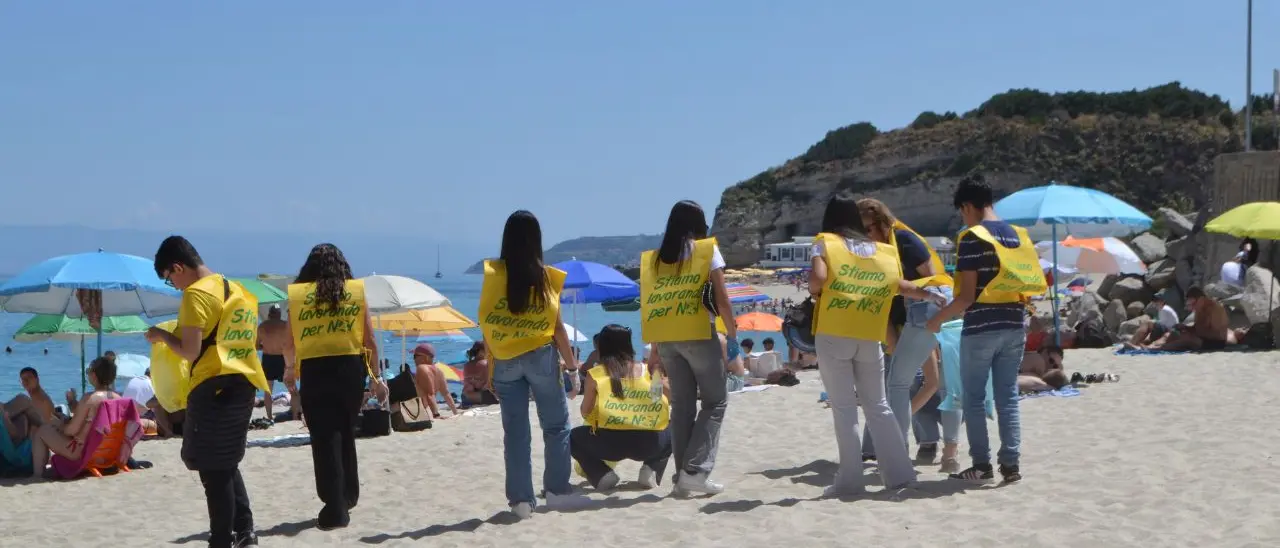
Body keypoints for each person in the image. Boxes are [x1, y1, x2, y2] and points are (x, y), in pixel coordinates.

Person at [809, 194, 941, 497]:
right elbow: (899, 286)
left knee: (844, 409)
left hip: (834, 332)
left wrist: (817, 291)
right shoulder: (881, 250)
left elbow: (818, 279)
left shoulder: (825, 242)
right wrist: (931, 296)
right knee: (878, 406)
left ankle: (850, 479)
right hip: (869, 334)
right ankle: (900, 476)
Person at [146, 235, 268, 548]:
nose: (173, 285)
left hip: (212, 384)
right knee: (225, 460)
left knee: (211, 466)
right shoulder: (238, 291)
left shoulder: (195, 295)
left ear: (177, 266)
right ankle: (246, 532)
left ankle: (220, 539)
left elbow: (189, 351)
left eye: (169, 277)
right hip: (244, 381)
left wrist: (161, 335)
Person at [926, 176, 1046, 484]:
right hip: (1014, 324)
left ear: (968, 206)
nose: (963, 218)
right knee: (1007, 397)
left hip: (981, 327)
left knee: (974, 398)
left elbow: (966, 297)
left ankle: (981, 465)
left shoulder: (972, 237)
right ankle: (1011, 466)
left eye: (962, 211)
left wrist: (937, 321)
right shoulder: (1019, 235)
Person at [478, 210, 585, 519]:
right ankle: (556, 491)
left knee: (515, 433)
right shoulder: (545, 277)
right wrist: (573, 368)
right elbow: (558, 329)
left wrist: (489, 367)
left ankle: (522, 502)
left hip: (506, 360)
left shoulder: (495, 275)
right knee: (555, 426)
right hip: (540, 356)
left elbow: (486, 323)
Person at [640, 200, 738, 496]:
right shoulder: (706, 249)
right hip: (697, 333)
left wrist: (655, 347)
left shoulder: (656, 258)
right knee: (715, 402)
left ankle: (682, 474)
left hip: (667, 338)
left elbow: (654, 305)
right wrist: (732, 334)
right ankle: (695, 470)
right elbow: (721, 298)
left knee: (681, 407)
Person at [282, 243, 381, 530]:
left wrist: (290, 372)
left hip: (315, 368)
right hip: (350, 368)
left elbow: (289, 342)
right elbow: (370, 341)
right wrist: (375, 377)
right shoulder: (354, 292)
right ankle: (348, 495)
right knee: (345, 431)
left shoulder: (299, 296)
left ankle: (335, 505)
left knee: (323, 436)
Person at [856, 198, 950, 463]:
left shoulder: (905, 241)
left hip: (919, 318)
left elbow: (932, 282)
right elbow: (874, 293)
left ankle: (920, 441)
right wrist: (889, 336)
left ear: (882, 222)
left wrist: (933, 326)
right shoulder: (871, 250)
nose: (865, 236)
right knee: (894, 384)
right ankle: (877, 446)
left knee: (918, 382)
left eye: (868, 229)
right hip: (891, 321)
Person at [570, 324, 673, 491]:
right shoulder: (648, 371)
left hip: (607, 444)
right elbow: (662, 399)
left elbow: (585, 411)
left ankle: (602, 475)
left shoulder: (595, 374)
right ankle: (651, 469)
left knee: (572, 438)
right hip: (647, 444)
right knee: (674, 427)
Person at [28, 357, 122, 478]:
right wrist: (71, 407)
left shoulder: (90, 398)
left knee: (42, 431)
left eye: (88, 370)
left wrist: (59, 424)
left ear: (94, 375)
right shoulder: (118, 399)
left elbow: (71, 431)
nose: (87, 373)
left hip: (83, 452)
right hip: (108, 452)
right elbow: (92, 423)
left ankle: (38, 475)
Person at [1136, 287, 1244, 351]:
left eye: (1192, 304)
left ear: (1201, 300)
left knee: (1187, 339)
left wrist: (1193, 332)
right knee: (1173, 333)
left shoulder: (1216, 310)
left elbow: (1218, 336)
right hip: (1204, 338)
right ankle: (1148, 346)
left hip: (1216, 343)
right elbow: (1199, 328)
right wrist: (1187, 328)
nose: (1191, 308)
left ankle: (1156, 348)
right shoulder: (1200, 310)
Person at [257, 305, 295, 422]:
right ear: (279, 314)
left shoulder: (262, 326)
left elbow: (256, 345)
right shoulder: (285, 325)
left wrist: (265, 347)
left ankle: (269, 416)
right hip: (282, 357)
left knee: (268, 390)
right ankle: (296, 412)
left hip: (268, 358)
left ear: (269, 313)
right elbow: (291, 343)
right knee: (292, 388)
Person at [411, 343, 460, 419]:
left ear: (426, 357)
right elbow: (446, 394)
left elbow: (429, 394)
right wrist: (455, 413)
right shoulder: (439, 371)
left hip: (423, 412)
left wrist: (436, 415)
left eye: (415, 356)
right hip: (430, 412)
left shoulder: (421, 368)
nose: (413, 359)